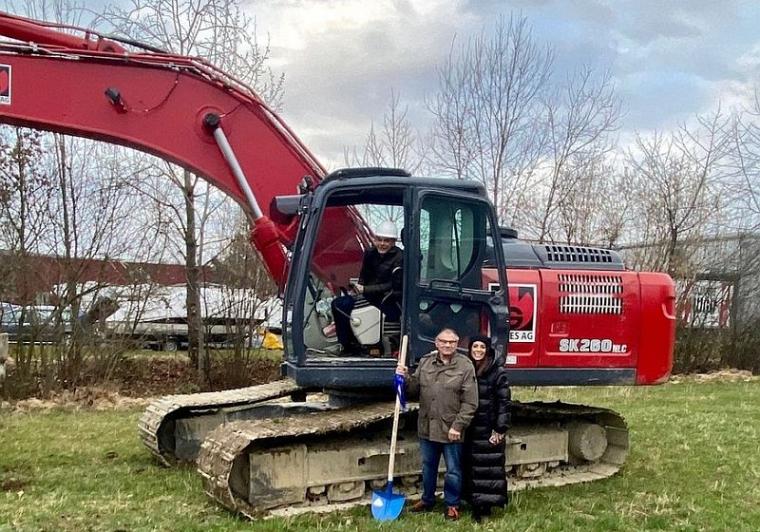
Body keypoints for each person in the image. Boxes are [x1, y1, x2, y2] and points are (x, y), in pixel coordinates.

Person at [396, 327, 478, 521]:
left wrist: (458, 426)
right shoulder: (425, 363)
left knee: (453, 470)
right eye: (444, 341)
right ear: (437, 343)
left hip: (451, 429)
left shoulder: (465, 366)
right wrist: (404, 377)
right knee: (428, 466)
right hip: (427, 427)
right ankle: (427, 499)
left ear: (457, 345)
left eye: (452, 342)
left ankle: (452, 504)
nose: (447, 345)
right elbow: (414, 389)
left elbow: (471, 402)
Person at [331, 220, 402, 353]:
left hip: (388, 300)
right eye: (379, 239)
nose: (382, 244)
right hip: (368, 295)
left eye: (386, 241)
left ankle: (377, 345)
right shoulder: (370, 253)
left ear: (393, 242)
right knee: (339, 305)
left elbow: (393, 285)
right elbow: (364, 276)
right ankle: (348, 345)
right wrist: (357, 288)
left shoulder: (400, 257)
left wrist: (366, 289)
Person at [462, 335, 511, 522]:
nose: (478, 350)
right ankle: (475, 502)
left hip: (488, 428)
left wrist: (500, 429)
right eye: (475, 346)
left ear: (488, 349)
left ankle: (484, 509)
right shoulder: (468, 368)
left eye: (482, 347)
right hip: (471, 428)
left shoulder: (496, 372)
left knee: (489, 468)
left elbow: (503, 402)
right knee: (473, 468)